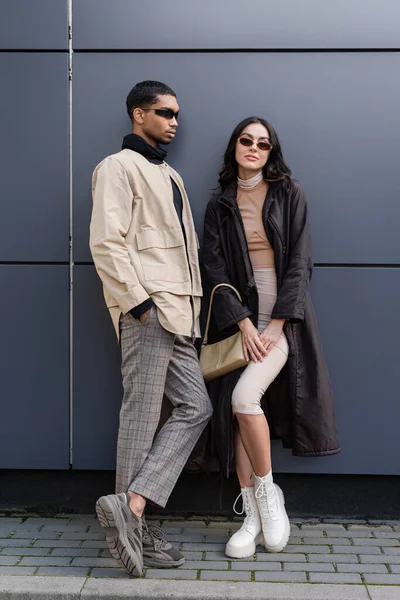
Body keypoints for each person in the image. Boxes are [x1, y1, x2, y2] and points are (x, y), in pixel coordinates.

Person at [89, 80, 213, 576]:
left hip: (179, 314)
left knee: (195, 406)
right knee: (140, 419)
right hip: (150, 311)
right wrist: (140, 305)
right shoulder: (118, 168)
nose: (174, 121)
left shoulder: (171, 175)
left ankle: (133, 507)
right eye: (164, 112)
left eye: (177, 113)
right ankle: (133, 534)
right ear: (138, 115)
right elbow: (107, 241)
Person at [202, 117, 339, 559]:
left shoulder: (288, 193)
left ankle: (268, 494)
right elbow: (214, 270)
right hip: (239, 321)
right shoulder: (219, 204)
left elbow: (300, 262)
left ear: (270, 151)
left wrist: (275, 325)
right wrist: (242, 323)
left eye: (263, 143)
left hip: (281, 322)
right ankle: (253, 519)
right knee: (239, 415)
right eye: (246, 141)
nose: (254, 148)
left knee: (244, 399)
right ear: (235, 147)